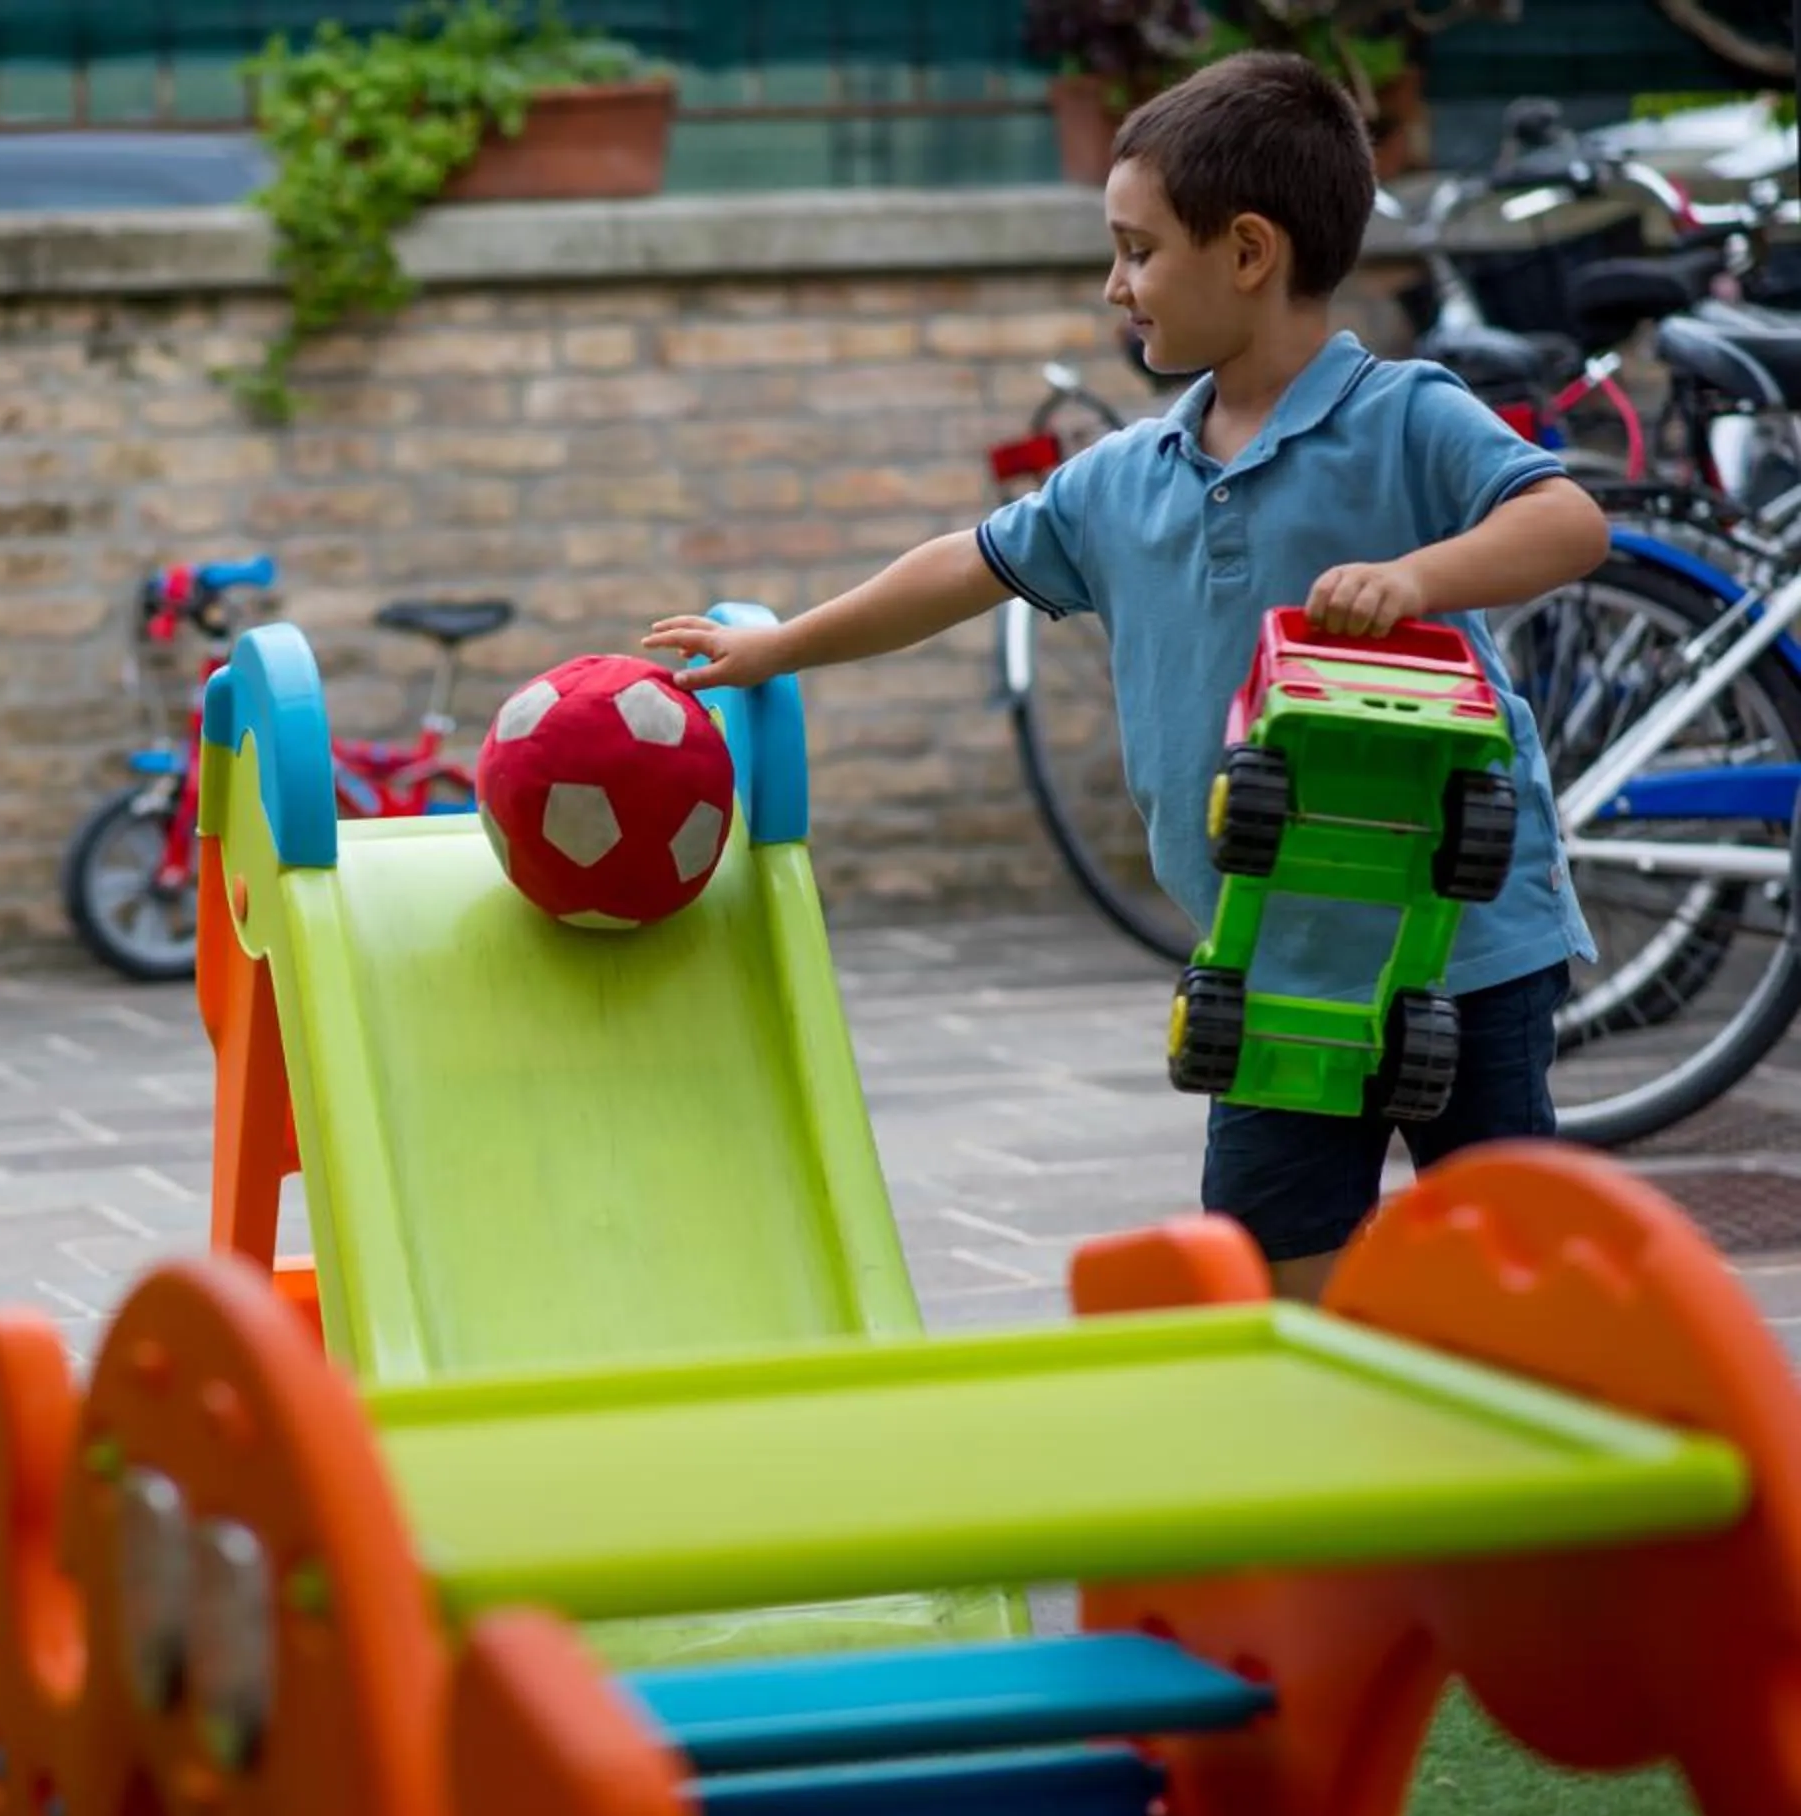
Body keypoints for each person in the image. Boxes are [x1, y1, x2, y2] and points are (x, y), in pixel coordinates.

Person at [639, 50, 1610, 1304]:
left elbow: (1567, 520)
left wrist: (1420, 576)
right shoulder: (1124, 478)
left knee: (1510, 1249)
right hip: (1269, 966)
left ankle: (1540, 1448)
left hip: (1461, 948)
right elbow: (966, 565)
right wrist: (780, 647)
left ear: (1248, 251)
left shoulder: (1402, 415)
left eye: (1139, 252)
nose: (1116, 286)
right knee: (1271, 1267)